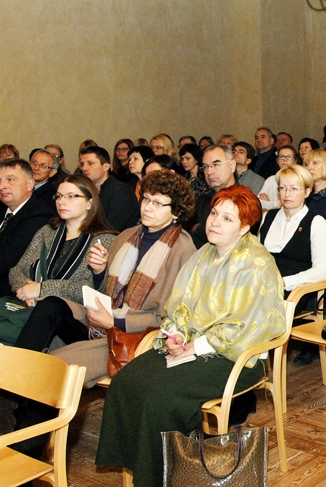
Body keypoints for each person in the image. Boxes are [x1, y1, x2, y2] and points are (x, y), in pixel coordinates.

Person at [95, 185, 285, 487]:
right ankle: (140, 468)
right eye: (214, 214)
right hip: (191, 347)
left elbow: (247, 326)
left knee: (160, 396)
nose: (215, 222)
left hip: (236, 356)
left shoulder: (257, 263)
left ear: (244, 227)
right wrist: (175, 336)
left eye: (227, 219)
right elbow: (179, 305)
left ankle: (163, 476)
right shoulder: (203, 254)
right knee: (126, 382)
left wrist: (196, 346)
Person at [14, 170, 196, 387]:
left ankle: (17, 388)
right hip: (102, 318)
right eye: (146, 199)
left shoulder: (183, 249)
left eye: (157, 203)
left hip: (135, 334)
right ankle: (13, 371)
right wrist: (100, 271)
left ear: (176, 211)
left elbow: (171, 316)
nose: (147, 207)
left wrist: (114, 321)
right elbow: (104, 291)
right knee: (51, 305)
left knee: (52, 367)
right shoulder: (127, 235)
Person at [2, 176, 116, 345]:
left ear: (89, 203)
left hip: (76, 318)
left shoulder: (104, 239)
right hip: (28, 306)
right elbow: (17, 270)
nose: (62, 201)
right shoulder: (48, 231)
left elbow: (92, 288)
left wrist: (42, 289)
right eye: (59, 196)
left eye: (71, 196)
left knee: (49, 306)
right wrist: (24, 291)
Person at [259, 165, 326, 298]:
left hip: (294, 292)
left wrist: (284, 282)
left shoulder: (316, 222)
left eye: (294, 189)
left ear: (307, 192)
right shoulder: (267, 217)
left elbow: (321, 271)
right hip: (261, 285)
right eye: (283, 188)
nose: (287, 194)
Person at [0, 159, 55, 297]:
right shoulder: (3, 209)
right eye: (0, 181)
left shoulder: (40, 216)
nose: (2, 186)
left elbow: (6, 262)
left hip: (12, 291)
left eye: (10, 180)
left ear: (30, 184)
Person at [79, 147, 140, 232]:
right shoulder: (86, 191)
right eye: (82, 164)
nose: (84, 168)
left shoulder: (121, 191)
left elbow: (113, 229)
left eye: (90, 163)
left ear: (106, 167)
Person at [258, 145, 299, 210]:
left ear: (295, 161)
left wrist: (269, 203)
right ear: (277, 160)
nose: (285, 160)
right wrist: (277, 204)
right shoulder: (270, 179)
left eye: (289, 157)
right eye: (282, 157)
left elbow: (290, 203)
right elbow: (259, 203)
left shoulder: (298, 180)